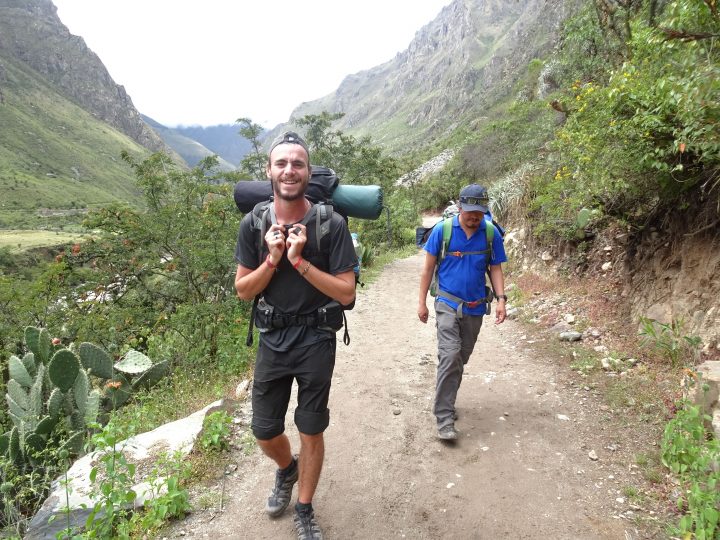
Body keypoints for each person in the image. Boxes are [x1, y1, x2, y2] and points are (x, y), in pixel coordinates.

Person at [234, 131, 357, 539]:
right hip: (272, 338)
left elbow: (346, 292)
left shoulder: (330, 224)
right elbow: (243, 290)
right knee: (264, 430)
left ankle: (304, 509)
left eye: (298, 164)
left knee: (310, 427)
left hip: (316, 340)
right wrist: (271, 260)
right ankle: (286, 470)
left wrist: (299, 262)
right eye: (282, 163)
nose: (289, 170)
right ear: (269, 171)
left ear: (308, 172)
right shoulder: (254, 224)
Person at [417, 184, 508, 441]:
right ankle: (444, 417)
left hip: (476, 307)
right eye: (470, 212)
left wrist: (501, 299)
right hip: (447, 302)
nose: (474, 217)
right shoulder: (442, 231)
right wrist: (421, 302)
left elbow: (496, 269)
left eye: (479, 212)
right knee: (450, 354)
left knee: (460, 358)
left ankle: (447, 400)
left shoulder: (491, 233)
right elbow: (427, 270)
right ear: (459, 207)